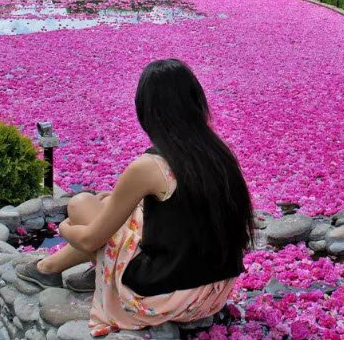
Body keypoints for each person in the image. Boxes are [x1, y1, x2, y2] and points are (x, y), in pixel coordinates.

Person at [16, 60, 254, 337]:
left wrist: (64, 228)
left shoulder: (150, 166)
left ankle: (49, 267)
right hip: (213, 293)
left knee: (81, 205)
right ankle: (55, 269)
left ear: (146, 111)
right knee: (112, 210)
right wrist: (121, 201)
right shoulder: (217, 153)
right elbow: (183, 213)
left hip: (166, 298)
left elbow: (90, 239)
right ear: (196, 102)